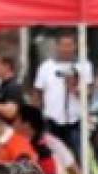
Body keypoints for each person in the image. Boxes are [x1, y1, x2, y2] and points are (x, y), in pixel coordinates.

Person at [33, 32, 91, 161]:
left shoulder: (83, 65)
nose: (66, 48)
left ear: (75, 46)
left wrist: (74, 87)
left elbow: (88, 94)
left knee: (79, 157)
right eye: (63, 45)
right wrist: (36, 115)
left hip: (75, 120)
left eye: (69, 45)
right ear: (57, 46)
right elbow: (38, 91)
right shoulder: (46, 66)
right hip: (52, 119)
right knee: (52, 157)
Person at [14, 103, 79, 174]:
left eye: (15, 121)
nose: (12, 125)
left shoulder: (52, 144)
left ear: (26, 124)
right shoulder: (13, 146)